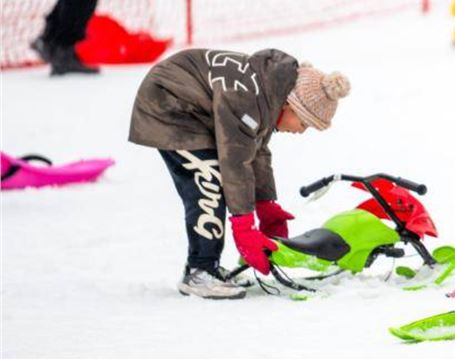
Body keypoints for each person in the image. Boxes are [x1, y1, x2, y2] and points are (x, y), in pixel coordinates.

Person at [128, 48, 351, 299]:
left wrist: (266, 204)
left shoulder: (267, 95)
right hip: (170, 105)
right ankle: (200, 271)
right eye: (304, 123)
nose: (301, 132)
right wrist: (244, 226)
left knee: (216, 176)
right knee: (208, 182)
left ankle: (208, 267)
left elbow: (255, 151)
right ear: (291, 106)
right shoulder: (248, 99)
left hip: (193, 110)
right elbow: (235, 161)